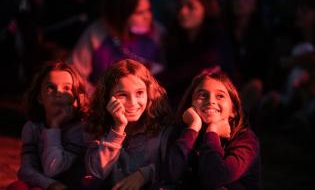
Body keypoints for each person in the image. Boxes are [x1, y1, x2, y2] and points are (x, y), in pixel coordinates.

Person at [162, 66, 262, 189]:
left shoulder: (246, 140)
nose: (210, 101)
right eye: (202, 95)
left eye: (220, 96)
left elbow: (213, 178)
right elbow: (171, 174)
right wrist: (193, 128)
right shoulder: (184, 131)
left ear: (233, 110)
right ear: (190, 105)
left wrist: (212, 132)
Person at [83, 59, 172, 190]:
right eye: (122, 94)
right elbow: (96, 172)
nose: (132, 102)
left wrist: (146, 174)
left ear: (149, 93)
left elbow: (175, 169)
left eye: (139, 93)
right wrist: (117, 129)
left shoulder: (162, 130)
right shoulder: (97, 127)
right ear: (107, 98)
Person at [69, 0, 165, 95]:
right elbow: (73, 73)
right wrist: (95, 97)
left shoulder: (156, 31)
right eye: (139, 12)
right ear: (121, 15)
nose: (147, 16)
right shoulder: (96, 33)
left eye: (148, 10)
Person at [7, 61, 89, 190]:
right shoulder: (32, 127)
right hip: (46, 184)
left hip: (71, 185)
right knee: (17, 187)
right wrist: (49, 184)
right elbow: (26, 170)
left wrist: (54, 127)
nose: (58, 93)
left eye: (67, 88)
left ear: (76, 97)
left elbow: (53, 168)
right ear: (40, 97)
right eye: (51, 87)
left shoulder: (80, 129)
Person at [161, 0, 235, 107]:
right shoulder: (176, 38)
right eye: (180, 7)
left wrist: (155, 79)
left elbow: (192, 71)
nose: (182, 12)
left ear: (206, 9)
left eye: (191, 7)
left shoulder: (217, 38)